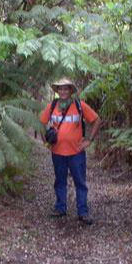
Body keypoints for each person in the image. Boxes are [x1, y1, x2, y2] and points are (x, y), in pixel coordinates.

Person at [40, 78, 101, 225]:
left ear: (70, 91)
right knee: (60, 181)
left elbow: (97, 120)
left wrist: (89, 140)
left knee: (80, 182)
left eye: (66, 89)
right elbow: (40, 123)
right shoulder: (52, 106)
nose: (63, 91)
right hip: (57, 153)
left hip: (76, 153)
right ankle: (60, 208)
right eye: (60, 89)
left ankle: (83, 212)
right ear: (57, 91)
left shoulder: (80, 106)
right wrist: (45, 141)